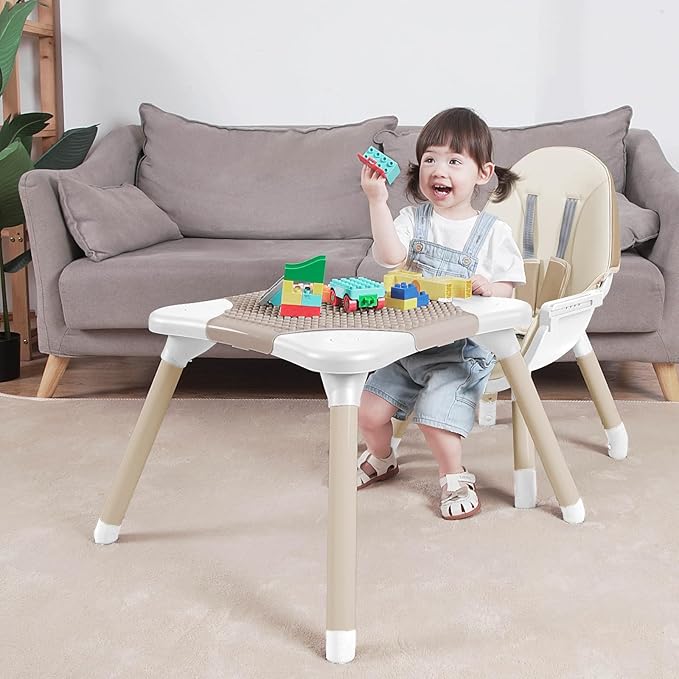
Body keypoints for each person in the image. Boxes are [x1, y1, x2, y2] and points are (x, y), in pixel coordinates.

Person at [357, 107, 526, 520]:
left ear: (483, 173)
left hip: (460, 352)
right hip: (408, 344)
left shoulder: (493, 232)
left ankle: (454, 476)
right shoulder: (412, 220)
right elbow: (389, 256)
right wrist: (377, 201)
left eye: (454, 161)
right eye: (430, 159)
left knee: (435, 419)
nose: (438, 169)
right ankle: (382, 457)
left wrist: (492, 288)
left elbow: (509, 290)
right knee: (367, 413)